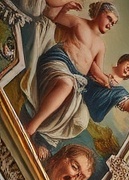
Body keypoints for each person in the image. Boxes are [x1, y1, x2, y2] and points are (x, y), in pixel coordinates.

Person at [22, 2, 120, 155]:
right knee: (66, 84)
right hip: (59, 61)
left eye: (113, 23)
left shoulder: (101, 45)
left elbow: (95, 70)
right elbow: (52, 16)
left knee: (77, 110)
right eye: (109, 19)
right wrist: (66, 8)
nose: (110, 25)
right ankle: (31, 127)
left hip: (77, 78)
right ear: (100, 13)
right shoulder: (78, 23)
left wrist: (106, 80)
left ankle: (44, 138)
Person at [82, 52, 129, 122]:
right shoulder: (103, 65)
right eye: (128, 66)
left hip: (89, 112)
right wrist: (104, 79)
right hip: (80, 92)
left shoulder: (119, 92)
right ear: (120, 62)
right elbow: (91, 66)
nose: (128, 70)